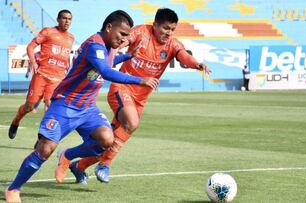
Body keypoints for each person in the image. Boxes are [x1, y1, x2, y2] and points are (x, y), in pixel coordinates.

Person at [4, 10, 159, 202]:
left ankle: (67, 155)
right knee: (45, 149)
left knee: (106, 139)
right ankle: (13, 188)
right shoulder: (95, 45)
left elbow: (108, 63)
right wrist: (140, 80)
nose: (124, 39)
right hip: (65, 105)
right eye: (122, 34)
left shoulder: (108, 46)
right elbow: (105, 71)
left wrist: (127, 56)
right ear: (109, 28)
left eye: (127, 36)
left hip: (88, 108)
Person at [66, 8, 212, 184]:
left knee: (109, 141)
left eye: (172, 29)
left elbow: (183, 56)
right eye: (166, 28)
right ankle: (105, 164)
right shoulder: (141, 33)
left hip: (140, 98)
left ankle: (79, 166)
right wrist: (115, 48)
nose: (169, 33)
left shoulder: (172, 44)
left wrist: (196, 64)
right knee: (132, 123)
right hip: (122, 88)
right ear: (155, 24)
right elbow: (123, 40)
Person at [8, 9, 74, 139]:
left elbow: (66, 56)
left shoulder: (71, 37)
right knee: (29, 106)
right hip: (42, 75)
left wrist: (67, 70)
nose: (67, 21)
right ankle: (16, 121)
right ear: (58, 19)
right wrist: (33, 62)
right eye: (64, 18)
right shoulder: (48, 31)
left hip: (57, 79)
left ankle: (42, 138)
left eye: (69, 19)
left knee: (50, 107)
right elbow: (30, 47)